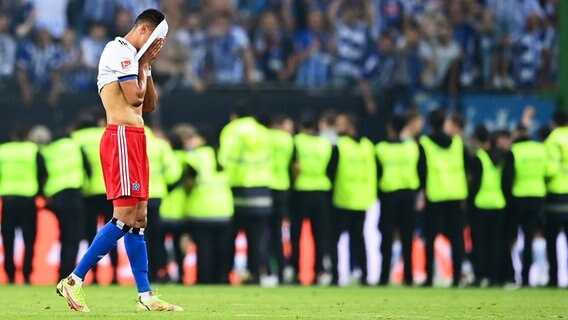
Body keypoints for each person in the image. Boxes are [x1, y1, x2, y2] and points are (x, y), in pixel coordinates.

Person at [56, 9, 183, 312]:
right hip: (121, 137)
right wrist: (143, 64)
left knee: (139, 219)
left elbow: (149, 104)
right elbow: (135, 97)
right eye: (155, 40)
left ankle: (146, 295)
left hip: (136, 138)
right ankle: (73, 280)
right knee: (123, 216)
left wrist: (148, 68)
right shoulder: (118, 50)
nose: (155, 46)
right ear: (143, 31)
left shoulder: (136, 59)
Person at [219, 103, 272, 284]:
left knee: (230, 237)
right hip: (262, 191)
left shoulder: (232, 130)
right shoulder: (263, 132)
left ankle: (226, 274)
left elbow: (225, 160)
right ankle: (254, 274)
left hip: (237, 190)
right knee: (256, 238)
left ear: (234, 116)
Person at [419, 108, 469, 287]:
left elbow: (421, 170)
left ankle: (429, 277)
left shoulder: (424, 143)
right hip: (456, 195)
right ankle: (457, 277)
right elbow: (468, 166)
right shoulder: (457, 143)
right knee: (457, 240)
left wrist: (422, 192)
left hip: (435, 195)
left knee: (430, 240)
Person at [328, 113, 377, 285]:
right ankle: (364, 275)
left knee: (334, 238)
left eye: (340, 123)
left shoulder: (340, 145)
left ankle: (335, 275)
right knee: (359, 239)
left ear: (349, 126)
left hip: (343, 199)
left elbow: (331, 171)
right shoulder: (368, 146)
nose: (337, 127)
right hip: (362, 199)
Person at [71, 113, 119, 284]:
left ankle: (94, 275)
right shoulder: (105, 133)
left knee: (91, 235)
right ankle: (114, 274)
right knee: (112, 234)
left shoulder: (75, 139)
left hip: (87, 193)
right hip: (110, 190)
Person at [186, 126, 234, 284]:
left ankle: (204, 280)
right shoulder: (225, 155)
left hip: (201, 209)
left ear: (203, 139)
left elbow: (189, 182)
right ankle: (222, 278)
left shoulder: (195, 155)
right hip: (224, 209)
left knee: (205, 250)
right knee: (222, 248)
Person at [0, 124, 47, 284]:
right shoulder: (33, 150)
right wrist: (41, 194)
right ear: (27, 136)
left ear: (13, 135)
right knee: (29, 239)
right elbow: (43, 174)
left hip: (9, 201)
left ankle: (10, 274)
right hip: (28, 201)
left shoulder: (3, 151)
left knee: (8, 239)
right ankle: (27, 274)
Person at [502, 125, 547, 287]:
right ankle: (526, 277)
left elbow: (507, 178)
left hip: (517, 198)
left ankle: (511, 274)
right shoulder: (540, 149)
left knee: (510, 237)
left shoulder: (515, 151)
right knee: (529, 239)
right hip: (537, 198)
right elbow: (548, 171)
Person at [376, 115, 419, 286]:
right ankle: (409, 276)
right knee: (407, 236)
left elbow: (377, 173)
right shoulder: (412, 147)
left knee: (386, 237)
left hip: (389, 195)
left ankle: (384, 276)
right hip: (408, 194)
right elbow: (421, 170)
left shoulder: (381, 148)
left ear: (391, 128)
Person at [42, 129, 90, 281]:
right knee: (74, 237)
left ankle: (62, 272)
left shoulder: (48, 150)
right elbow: (87, 169)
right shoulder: (74, 145)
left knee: (64, 235)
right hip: (73, 194)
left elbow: (42, 174)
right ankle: (70, 274)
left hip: (56, 197)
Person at [291, 112, 333, 285]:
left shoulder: (296, 142)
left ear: (300, 125)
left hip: (301, 191)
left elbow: (295, 166)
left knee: (296, 234)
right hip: (321, 191)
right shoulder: (325, 143)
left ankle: (296, 272)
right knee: (319, 235)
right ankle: (319, 272)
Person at [469, 125, 507, 286]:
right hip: (498, 203)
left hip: (481, 203)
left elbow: (474, 184)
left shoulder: (479, 158)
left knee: (479, 244)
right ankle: (495, 277)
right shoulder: (501, 157)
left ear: (477, 140)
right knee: (496, 243)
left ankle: (480, 276)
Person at [145, 126, 182, 283]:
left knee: (141, 237)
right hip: (157, 196)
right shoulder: (161, 146)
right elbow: (174, 173)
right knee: (157, 237)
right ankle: (162, 270)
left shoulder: (130, 144)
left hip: (137, 197)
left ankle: (146, 272)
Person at [267, 114, 294, 282]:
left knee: (265, 232)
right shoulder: (288, 140)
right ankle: (282, 269)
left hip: (267, 186)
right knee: (278, 231)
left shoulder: (265, 137)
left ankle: (268, 269)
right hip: (283, 187)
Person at [543, 108, 568, 288]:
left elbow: (550, 169)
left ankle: (554, 278)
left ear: (554, 122)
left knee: (551, 239)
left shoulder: (552, 140)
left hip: (555, 193)